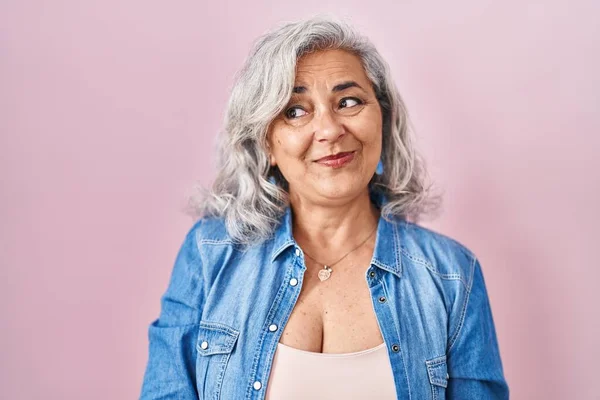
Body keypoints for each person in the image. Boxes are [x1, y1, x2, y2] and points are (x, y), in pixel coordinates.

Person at [139, 15, 509, 400]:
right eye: (295, 110)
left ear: (383, 118)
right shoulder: (208, 254)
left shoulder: (451, 275)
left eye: (348, 102)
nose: (330, 130)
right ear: (266, 142)